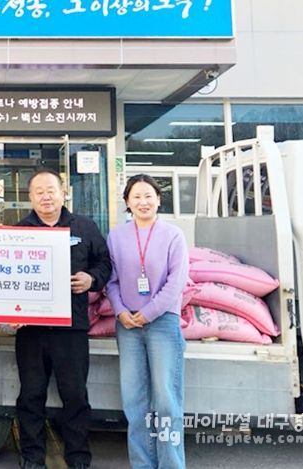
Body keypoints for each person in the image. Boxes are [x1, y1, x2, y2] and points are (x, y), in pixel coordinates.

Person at [15, 168, 111, 469]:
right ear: (30, 197)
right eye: (39, 192)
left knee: (75, 395)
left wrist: (91, 278)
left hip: (71, 327)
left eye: (51, 190)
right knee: (31, 395)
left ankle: (78, 457)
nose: (46, 197)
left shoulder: (84, 227)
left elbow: (104, 263)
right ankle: (32, 458)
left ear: (63, 193)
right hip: (30, 329)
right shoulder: (18, 231)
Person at [106, 174, 189, 469]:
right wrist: (120, 311)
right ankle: (142, 464)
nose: (143, 202)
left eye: (148, 196)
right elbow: (111, 281)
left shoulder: (173, 235)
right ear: (127, 202)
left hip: (163, 323)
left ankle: (171, 465)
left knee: (166, 400)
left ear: (159, 200)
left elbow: (176, 282)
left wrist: (149, 312)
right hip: (127, 326)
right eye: (136, 197)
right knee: (134, 400)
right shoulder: (116, 236)